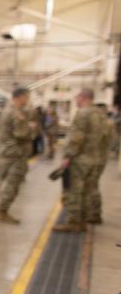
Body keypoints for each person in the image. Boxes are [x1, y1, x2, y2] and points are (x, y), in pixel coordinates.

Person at [53, 89, 109, 233]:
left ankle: (73, 223)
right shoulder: (100, 114)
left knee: (74, 191)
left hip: (80, 160)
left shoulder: (83, 113)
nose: (76, 101)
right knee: (87, 191)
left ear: (83, 97)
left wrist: (67, 157)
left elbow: (77, 138)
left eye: (76, 98)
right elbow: (106, 138)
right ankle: (83, 221)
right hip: (95, 159)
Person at [0, 87, 37, 224]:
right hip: (15, 154)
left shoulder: (7, 110)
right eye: (27, 97)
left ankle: (0, 207)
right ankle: (2, 212)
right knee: (12, 183)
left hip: (5, 152)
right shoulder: (15, 113)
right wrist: (30, 128)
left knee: (3, 180)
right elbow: (21, 134)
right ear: (20, 97)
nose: (28, 100)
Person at [87, 103, 116, 225]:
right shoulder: (110, 123)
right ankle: (93, 212)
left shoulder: (103, 124)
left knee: (92, 185)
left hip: (97, 158)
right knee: (93, 184)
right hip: (102, 157)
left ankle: (95, 214)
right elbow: (113, 140)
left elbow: (94, 140)